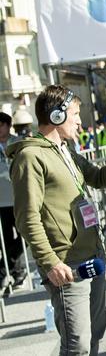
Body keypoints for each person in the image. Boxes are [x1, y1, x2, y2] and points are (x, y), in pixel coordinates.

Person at [7, 85, 106, 355]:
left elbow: (99, 178)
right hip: (67, 265)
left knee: (94, 336)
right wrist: (50, 261)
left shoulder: (65, 150)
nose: (80, 121)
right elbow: (27, 218)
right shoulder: (30, 157)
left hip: (92, 256)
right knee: (76, 345)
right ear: (56, 116)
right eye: (76, 114)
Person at [0, 111, 26, 294]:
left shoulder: (18, 143)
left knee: (25, 235)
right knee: (6, 238)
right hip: (2, 200)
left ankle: (3, 267)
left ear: (8, 126)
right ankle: (17, 272)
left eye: (1, 125)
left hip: (20, 196)